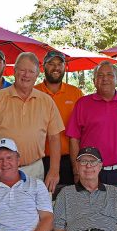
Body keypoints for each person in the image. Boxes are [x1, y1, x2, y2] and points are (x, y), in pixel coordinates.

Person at [0, 52, 64, 193]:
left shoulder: (46, 101)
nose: (26, 75)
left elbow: (54, 137)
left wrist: (54, 170)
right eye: (22, 70)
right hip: (0, 168)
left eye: (31, 71)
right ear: (14, 72)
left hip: (34, 169)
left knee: (32, 213)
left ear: (37, 75)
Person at [66, 61, 117, 197]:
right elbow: (74, 139)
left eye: (109, 75)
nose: (105, 78)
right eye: (100, 75)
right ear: (94, 81)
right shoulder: (83, 103)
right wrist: (76, 170)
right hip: (89, 170)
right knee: (89, 214)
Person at [35, 51, 83, 187]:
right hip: (40, 160)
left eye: (59, 64)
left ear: (65, 67)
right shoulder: (34, 92)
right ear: (43, 67)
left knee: (67, 202)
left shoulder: (76, 93)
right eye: (51, 64)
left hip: (69, 160)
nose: (56, 68)